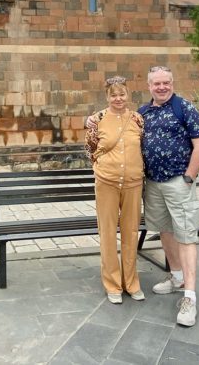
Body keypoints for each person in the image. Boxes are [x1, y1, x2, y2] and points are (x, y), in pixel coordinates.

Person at [140, 66, 199, 327]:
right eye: (157, 83)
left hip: (178, 180)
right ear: (149, 86)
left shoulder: (184, 108)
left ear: (172, 83)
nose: (162, 87)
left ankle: (189, 296)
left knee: (186, 234)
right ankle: (176, 276)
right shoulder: (143, 113)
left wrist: (189, 177)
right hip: (153, 183)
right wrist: (93, 119)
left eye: (166, 82)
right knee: (165, 231)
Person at [84, 76, 146, 305]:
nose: (118, 99)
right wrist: (103, 169)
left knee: (130, 232)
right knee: (108, 233)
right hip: (107, 182)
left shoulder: (138, 119)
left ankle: (132, 282)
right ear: (107, 96)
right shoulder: (97, 120)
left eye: (122, 94)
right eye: (113, 95)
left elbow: (143, 146)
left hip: (132, 182)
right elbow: (90, 150)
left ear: (128, 95)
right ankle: (112, 283)